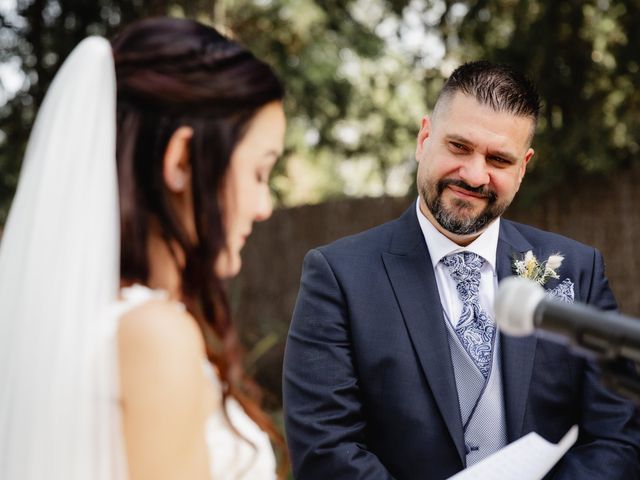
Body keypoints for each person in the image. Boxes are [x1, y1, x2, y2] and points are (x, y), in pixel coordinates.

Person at [283, 61, 640, 479]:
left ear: (522, 167)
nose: (474, 175)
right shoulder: (338, 277)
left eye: (498, 159)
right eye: (458, 147)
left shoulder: (577, 271)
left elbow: (619, 435)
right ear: (424, 139)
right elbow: (325, 448)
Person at [0, 17, 286, 480]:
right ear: (181, 160)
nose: (264, 207)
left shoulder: (76, 327)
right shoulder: (155, 336)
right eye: (258, 173)